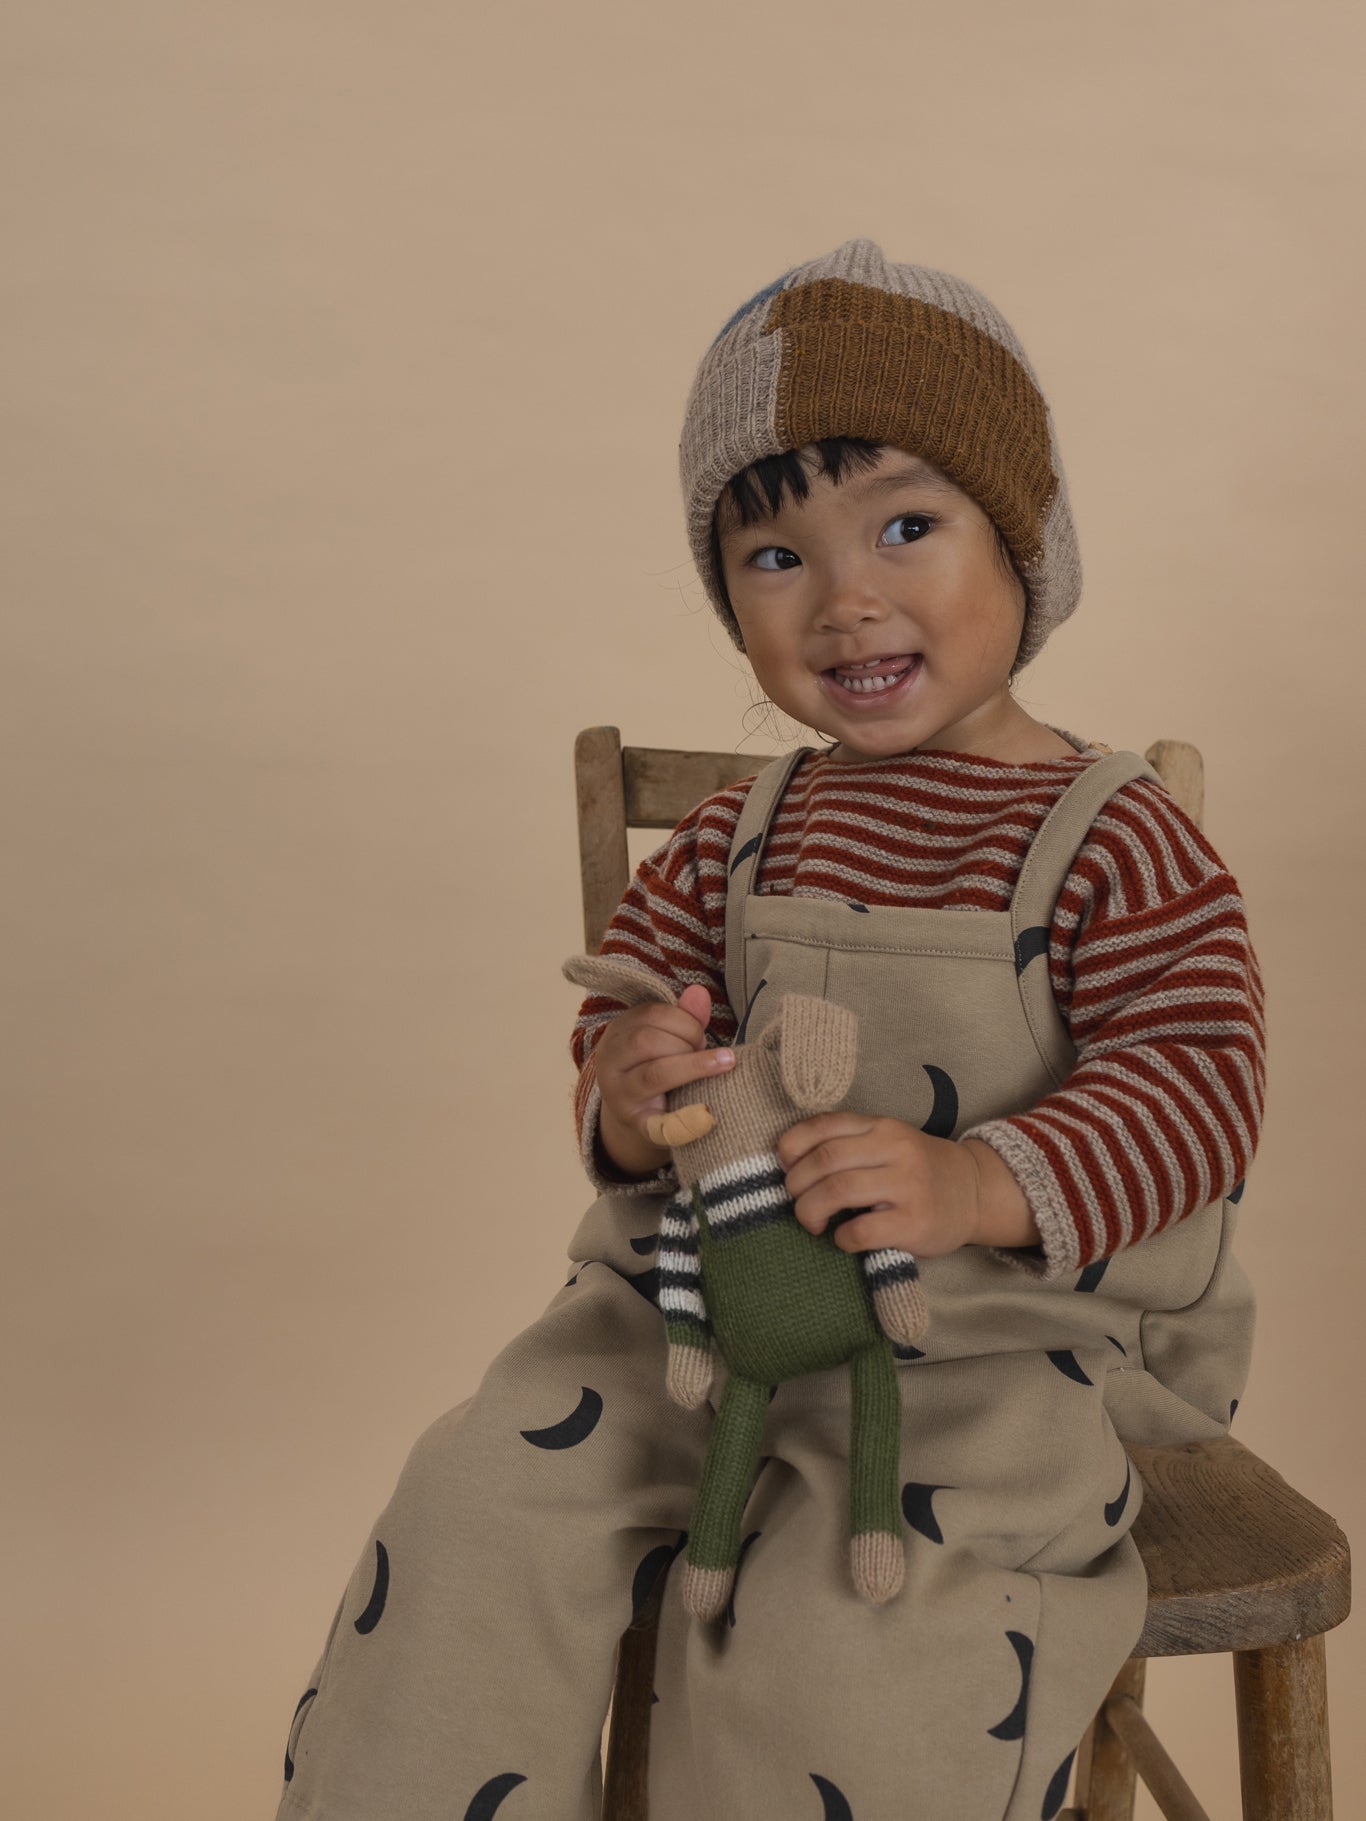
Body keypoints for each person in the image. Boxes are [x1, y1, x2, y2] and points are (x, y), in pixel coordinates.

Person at [275, 239, 1263, 1821]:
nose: (846, 595)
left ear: (1026, 543)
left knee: (855, 1649)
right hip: (697, 1317)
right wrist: (627, 1088)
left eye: (905, 525)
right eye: (773, 557)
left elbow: (1198, 1085)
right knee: (472, 1514)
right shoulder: (740, 831)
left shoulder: (1113, 835)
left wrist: (973, 1181)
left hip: (985, 1347)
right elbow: (622, 1024)